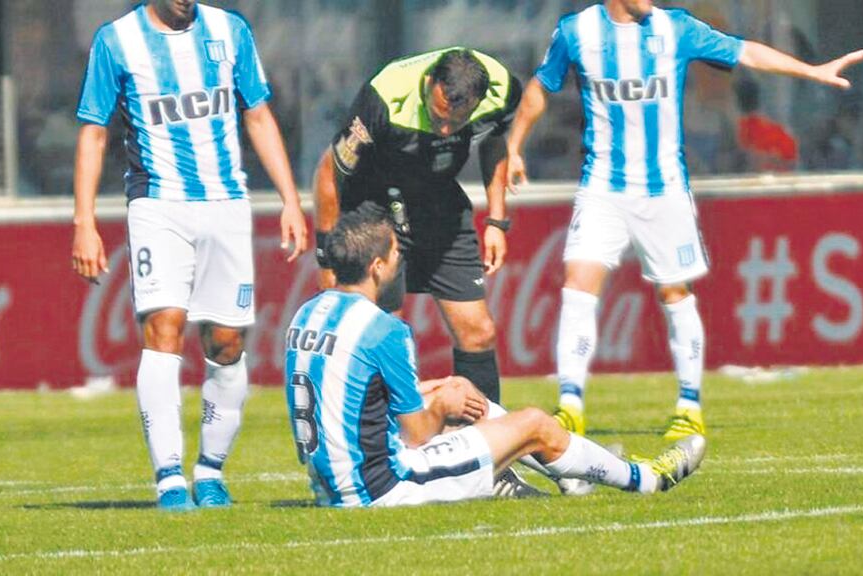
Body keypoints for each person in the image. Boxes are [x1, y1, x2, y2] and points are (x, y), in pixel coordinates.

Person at [505, 0, 863, 445]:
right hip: (602, 188)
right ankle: (571, 404)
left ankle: (689, 406)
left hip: (664, 192)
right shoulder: (576, 32)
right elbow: (541, 87)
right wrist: (515, 145)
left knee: (675, 292)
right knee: (578, 283)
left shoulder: (674, 28)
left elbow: (746, 52)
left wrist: (811, 71)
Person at [284, 206, 705, 508]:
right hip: (385, 487)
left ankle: (569, 475)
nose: (401, 261)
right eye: (396, 253)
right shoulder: (385, 330)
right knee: (535, 423)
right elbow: (415, 434)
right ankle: (646, 479)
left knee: (460, 390)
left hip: (332, 482)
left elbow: (352, 398)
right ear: (376, 267)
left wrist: (445, 391)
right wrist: (443, 405)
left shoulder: (309, 312)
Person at [71, 0, 307, 511]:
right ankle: (170, 478)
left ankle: (211, 471)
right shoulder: (117, 41)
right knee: (164, 330)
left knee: (225, 342)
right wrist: (84, 221)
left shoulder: (231, 30)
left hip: (226, 204)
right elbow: (94, 131)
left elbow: (259, 115)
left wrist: (291, 199)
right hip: (158, 204)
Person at [312, 47, 521, 406]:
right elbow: (328, 173)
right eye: (437, 115)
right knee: (382, 336)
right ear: (428, 83)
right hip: (376, 208)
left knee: (479, 332)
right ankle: (385, 445)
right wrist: (327, 257)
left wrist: (497, 221)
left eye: (455, 122)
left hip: (439, 204)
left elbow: (493, 143)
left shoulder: (502, 89)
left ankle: (488, 449)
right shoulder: (383, 99)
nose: (443, 129)